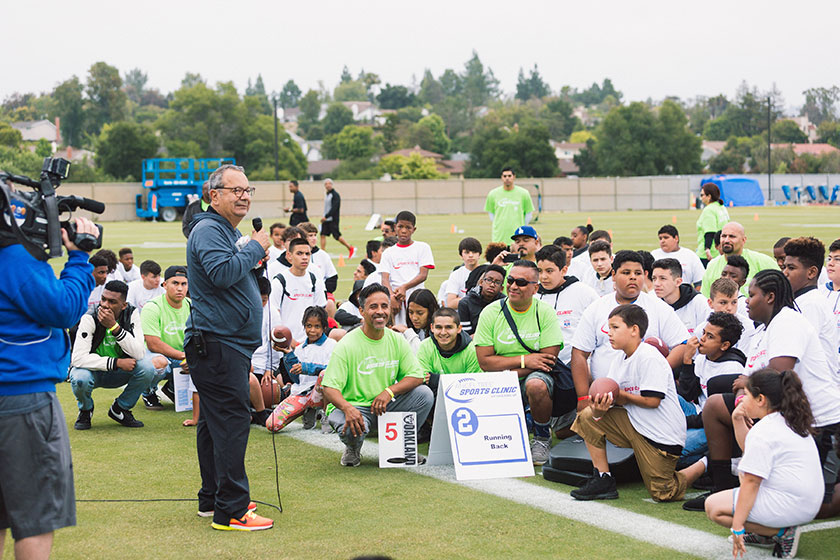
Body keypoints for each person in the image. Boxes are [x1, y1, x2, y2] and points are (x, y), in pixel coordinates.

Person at [689, 270, 840, 514]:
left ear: (769, 297)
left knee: (814, 507)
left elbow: (778, 375)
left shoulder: (787, 322)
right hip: (788, 414)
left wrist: (747, 389)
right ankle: (722, 486)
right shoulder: (764, 328)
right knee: (715, 405)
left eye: (752, 295)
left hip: (821, 423)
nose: (745, 301)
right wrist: (743, 399)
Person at [0, 215, 98, 558]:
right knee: (35, 516)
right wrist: (80, 257)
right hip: (19, 396)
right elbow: (64, 308)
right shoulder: (13, 259)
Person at [184, 163, 274, 531]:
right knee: (233, 422)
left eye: (248, 190)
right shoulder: (208, 229)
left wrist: (252, 256)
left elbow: (227, 272)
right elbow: (221, 274)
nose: (244, 196)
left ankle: (214, 498)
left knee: (213, 422)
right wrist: (254, 248)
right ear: (214, 195)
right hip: (219, 344)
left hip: (224, 344)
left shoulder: (223, 230)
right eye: (235, 190)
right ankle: (232, 510)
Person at [571, 304, 696, 502]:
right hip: (636, 425)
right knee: (587, 416)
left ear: (634, 330)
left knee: (663, 493)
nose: (608, 333)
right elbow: (612, 400)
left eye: (615, 327)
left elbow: (653, 401)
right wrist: (598, 408)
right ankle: (603, 478)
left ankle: (706, 464)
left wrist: (622, 396)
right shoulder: (620, 359)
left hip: (661, 437)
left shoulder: (649, 356)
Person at [705, 369, 823, 559]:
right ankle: (769, 531)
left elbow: (751, 483)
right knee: (745, 477)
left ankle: (781, 533)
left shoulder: (765, 430)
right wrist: (737, 419)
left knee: (714, 507)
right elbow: (751, 453)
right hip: (805, 502)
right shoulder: (786, 420)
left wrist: (738, 527)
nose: (742, 399)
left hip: (792, 504)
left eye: (747, 395)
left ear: (761, 399)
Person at [322, 284, 434, 467]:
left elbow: (417, 376)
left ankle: (401, 447)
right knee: (351, 427)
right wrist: (348, 408)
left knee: (424, 394)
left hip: (385, 406)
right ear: (361, 311)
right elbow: (329, 387)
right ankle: (352, 447)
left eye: (384, 306)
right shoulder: (347, 344)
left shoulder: (396, 340)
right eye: (373, 307)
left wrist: (389, 391)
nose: (380, 311)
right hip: (355, 408)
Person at [474, 260, 565, 466]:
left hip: (529, 376)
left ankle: (542, 437)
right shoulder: (491, 312)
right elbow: (485, 362)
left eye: (522, 282)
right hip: (502, 375)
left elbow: (548, 360)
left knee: (536, 385)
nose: (513, 286)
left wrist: (511, 370)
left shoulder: (545, 312)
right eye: (511, 280)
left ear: (535, 287)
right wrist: (526, 359)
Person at [571, 250, 690, 407]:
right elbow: (579, 353)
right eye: (626, 272)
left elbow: (682, 344)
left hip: (646, 395)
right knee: (586, 423)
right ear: (613, 275)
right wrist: (582, 398)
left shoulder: (658, 307)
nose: (633, 277)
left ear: (645, 274)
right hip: (605, 398)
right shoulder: (596, 308)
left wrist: (657, 371)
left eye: (638, 273)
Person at [69, 280, 156, 429]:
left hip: (120, 373)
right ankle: (85, 410)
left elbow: (139, 352)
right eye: (103, 299)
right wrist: (116, 363)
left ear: (123, 305)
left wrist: (115, 328)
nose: (105, 305)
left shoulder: (131, 313)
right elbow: (77, 359)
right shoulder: (89, 317)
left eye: (112, 302)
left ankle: (120, 408)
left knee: (147, 367)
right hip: (93, 372)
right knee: (79, 378)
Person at [677, 311, 746, 468]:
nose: (702, 339)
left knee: (675, 450)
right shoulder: (702, 357)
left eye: (710, 337)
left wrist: (681, 423)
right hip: (696, 412)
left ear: (724, 345)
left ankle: (710, 462)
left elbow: (715, 414)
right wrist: (688, 361)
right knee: (668, 396)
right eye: (704, 333)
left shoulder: (731, 368)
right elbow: (688, 394)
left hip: (712, 424)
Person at [267, 306, 336, 432]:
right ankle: (308, 409)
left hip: (320, 393)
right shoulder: (299, 348)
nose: (312, 330)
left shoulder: (331, 345)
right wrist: (288, 354)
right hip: (302, 392)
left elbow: (333, 371)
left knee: (325, 374)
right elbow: (296, 380)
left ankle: (326, 414)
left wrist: (306, 368)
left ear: (324, 327)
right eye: (309, 326)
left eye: (317, 326)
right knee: (272, 425)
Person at [782, 237, 840, 379]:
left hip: (817, 390)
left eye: (791, 268)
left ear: (812, 273)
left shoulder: (812, 304)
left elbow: (794, 352)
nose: (785, 273)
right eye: (784, 267)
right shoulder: (811, 296)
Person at [535, 246, 598, 368]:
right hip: (541, 362)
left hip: (577, 361)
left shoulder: (584, 292)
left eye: (549, 271)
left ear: (563, 270)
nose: (543, 277)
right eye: (539, 271)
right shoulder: (532, 295)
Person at [140, 265, 190, 411]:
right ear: (165, 285)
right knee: (158, 364)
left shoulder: (192, 307)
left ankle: (172, 388)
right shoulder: (152, 307)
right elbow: (153, 344)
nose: (180, 288)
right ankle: (148, 392)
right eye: (175, 283)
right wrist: (183, 356)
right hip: (158, 355)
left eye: (183, 284)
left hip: (182, 356)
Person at [380, 211, 435, 326]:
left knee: (418, 329)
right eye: (400, 226)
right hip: (396, 301)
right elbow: (385, 279)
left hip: (417, 299)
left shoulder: (422, 248)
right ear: (395, 228)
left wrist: (404, 287)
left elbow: (423, 275)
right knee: (398, 330)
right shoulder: (388, 253)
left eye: (408, 227)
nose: (404, 231)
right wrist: (391, 297)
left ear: (414, 229)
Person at [269, 238, 328, 346]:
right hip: (286, 345)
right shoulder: (280, 281)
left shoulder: (315, 281)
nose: (304, 257)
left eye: (307, 254)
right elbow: (273, 317)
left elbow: (321, 314)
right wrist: (289, 341)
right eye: (299, 253)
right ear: (289, 255)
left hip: (310, 344)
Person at [700, 222, 778, 298]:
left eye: (732, 236)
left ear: (743, 240)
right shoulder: (712, 266)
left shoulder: (762, 261)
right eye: (724, 236)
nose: (726, 240)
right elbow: (705, 298)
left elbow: (781, 286)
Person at [651, 258, 709, 335]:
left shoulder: (699, 302)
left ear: (678, 282)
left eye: (663, 278)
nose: (656, 283)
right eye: (654, 278)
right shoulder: (651, 301)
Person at [484, 167, 535, 243]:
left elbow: (528, 213)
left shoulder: (524, 193)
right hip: (499, 236)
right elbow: (491, 214)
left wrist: (522, 227)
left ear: (514, 177)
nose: (507, 178)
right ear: (501, 178)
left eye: (509, 176)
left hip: (517, 237)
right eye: (504, 176)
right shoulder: (493, 194)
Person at [458, 264, 506, 336]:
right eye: (489, 280)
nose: (492, 285)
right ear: (481, 282)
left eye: (497, 282)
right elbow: (465, 335)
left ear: (501, 289)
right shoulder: (465, 303)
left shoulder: (505, 303)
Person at [298, 221, 339, 295]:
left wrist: (323, 292)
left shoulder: (323, 255)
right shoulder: (294, 255)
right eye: (310, 236)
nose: (314, 238)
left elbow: (332, 277)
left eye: (315, 235)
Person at [695, 183, 730, 266]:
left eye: (702, 195)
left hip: (708, 254)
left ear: (709, 196)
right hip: (720, 251)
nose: (701, 197)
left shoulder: (709, 210)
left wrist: (707, 249)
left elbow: (710, 232)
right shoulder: (722, 208)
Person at [320, 178, 355, 258]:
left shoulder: (335, 195)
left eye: (329, 183)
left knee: (336, 236)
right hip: (326, 219)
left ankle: (350, 247)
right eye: (326, 184)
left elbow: (334, 208)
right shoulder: (327, 194)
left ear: (332, 185)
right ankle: (322, 253)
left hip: (332, 219)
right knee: (322, 234)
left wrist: (326, 216)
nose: (328, 185)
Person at [445, 237, 482, 308]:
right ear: (461, 255)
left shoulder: (486, 271)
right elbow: (450, 303)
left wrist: (461, 300)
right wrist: (475, 299)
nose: (471, 255)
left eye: (474, 252)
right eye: (467, 252)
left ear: (479, 254)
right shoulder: (456, 275)